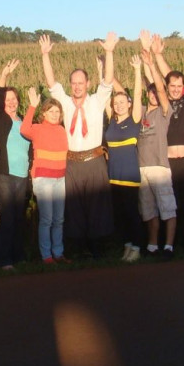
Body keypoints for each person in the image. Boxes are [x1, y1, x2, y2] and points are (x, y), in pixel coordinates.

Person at [40, 32, 117, 258]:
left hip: (94, 160)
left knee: (97, 204)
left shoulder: (96, 101)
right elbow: (51, 83)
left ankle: (97, 247)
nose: (77, 87)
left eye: (81, 83)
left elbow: (109, 81)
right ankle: (78, 247)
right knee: (74, 207)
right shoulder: (64, 102)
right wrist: (45, 56)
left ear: (88, 83)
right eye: (73, 83)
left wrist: (109, 52)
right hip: (72, 162)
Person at [150, 31, 184, 253]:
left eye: (179, 85)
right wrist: (155, 57)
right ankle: (173, 244)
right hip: (169, 162)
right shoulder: (164, 104)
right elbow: (163, 80)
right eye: (172, 85)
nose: (176, 88)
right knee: (172, 205)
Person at [0, 59, 31, 271]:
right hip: (3, 174)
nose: (11, 102)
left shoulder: (24, 122)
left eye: (14, 99)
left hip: (21, 174)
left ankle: (18, 255)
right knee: (7, 215)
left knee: (18, 216)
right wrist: (4, 75)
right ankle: (4, 259)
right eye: (8, 99)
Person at [20, 87, 68, 264]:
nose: (55, 114)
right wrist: (32, 106)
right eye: (51, 111)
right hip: (44, 179)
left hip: (60, 178)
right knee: (47, 219)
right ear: (44, 113)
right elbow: (24, 129)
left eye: (57, 111)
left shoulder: (62, 130)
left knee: (59, 219)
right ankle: (46, 255)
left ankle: (58, 252)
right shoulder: (37, 128)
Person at [138, 46, 178, 258]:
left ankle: (169, 246)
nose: (154, 95)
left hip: (160, 167)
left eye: (156, 92)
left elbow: (161, 90)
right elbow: (124, 95)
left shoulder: (165, 111)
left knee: (167, 208)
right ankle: (153, 245)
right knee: (149, 210)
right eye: (151, 92)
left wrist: (151, 63)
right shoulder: (142, 111)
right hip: (141, 168)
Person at [104, 55, 144, 262]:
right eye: (115, 103)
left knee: (131, 214)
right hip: (113, 177)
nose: (119, 105)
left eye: (122, 102)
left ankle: (137, 248)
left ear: (128, 104)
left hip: (129, 176)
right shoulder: (111, 122)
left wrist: (137, 70)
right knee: (120, 215)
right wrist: (103, 68)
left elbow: (137, 94)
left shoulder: (134, 120)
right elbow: (105, 89)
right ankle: (127, 246)